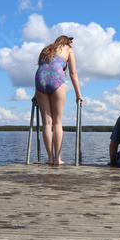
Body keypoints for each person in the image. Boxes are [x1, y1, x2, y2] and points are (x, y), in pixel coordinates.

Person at [35, 35, 83, 166]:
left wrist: (36, 94)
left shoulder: (46, 50)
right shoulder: (68, 49)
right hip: (56, 79)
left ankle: (50, 158)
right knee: (57, 122)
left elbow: (43, 71)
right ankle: (57, 158)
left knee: (46, 123)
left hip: (40, 82)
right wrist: (78, 94)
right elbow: (73, 73)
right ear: (67, 42)